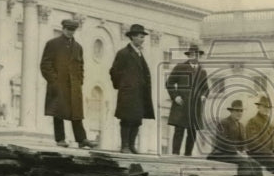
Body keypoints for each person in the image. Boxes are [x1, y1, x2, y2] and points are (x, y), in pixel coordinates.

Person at [40, 18, 98, 149]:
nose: (70, 32)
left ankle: (82, 139)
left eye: (73, 30)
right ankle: (60, 138)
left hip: (74, 86)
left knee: (77, 114)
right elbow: (45, 64)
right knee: (58, 112)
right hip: (58, 84)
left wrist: (80, 81)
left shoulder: (78, 47)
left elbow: (81, 66)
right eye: (68, 29)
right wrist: (53, 81)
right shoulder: (52, 44)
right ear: (63, 29)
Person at [109, 23, 154, 154]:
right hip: (128, 93)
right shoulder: (123, 53)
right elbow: (114, 71)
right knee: (127, 119)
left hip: (140, 94)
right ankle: (125, 146)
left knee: (137, 120)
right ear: (133, 37)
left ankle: (132, 145)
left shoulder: (140, 54)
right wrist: (122, 85)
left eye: (143, 37)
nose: (142, 39)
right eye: (140, 37)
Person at [207, 99, 265, 176]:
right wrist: (236, 152)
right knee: (244, 162)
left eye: (241, 111)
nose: (239, 113)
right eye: (237, 111)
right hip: (221, 154)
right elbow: (222, 142)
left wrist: (244, 151)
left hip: (234, 154)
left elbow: (243, 143)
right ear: (231, 111)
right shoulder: (224, 123)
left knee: (255, 162)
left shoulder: (241, 125)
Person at [165, 43, 209, 156]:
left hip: (195, 106)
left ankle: (188, 154)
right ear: (189, 55)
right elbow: (169, 83)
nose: (195, 57)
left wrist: (204, 96)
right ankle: (175, 154)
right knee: (179, 130)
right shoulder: (180, 67)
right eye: (192, 54)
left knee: (192, 132)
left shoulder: (202, 72)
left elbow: (206, 89)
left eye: (197, 55)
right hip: (182, 104)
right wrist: (175, 96)